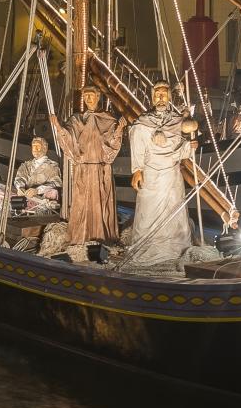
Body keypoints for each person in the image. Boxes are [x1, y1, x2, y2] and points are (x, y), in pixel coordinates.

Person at [120, 81, 199, 270]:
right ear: (152, 97)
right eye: (157, 95)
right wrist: (137, 170)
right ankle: (146, 249)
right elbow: (138, 146)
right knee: (148, 212)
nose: (161, 98)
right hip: (150, 173)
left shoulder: (177, 121)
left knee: (173, 211)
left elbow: (183, 144)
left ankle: (174, 250)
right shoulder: (142, 122)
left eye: (164, 94)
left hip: (171, 174)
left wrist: (189, 146)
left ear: (170, 97)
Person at [53, 85, 125, 252]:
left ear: (98, 96)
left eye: (92, 95)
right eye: (86, 96)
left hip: (101, 169)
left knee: (102, 205)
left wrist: (119, 130)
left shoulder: (109, 119)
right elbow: (69, 140)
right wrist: (58, 127)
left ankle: (103, 237)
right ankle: (80, 237)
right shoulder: (76, 120)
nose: (89, 98)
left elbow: (112, 147)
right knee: (81, 206)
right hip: (83, 170)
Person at [11, 135, 60, 212]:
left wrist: (37, 190)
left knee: (53, 192)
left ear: (44, 148)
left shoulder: (52, 166)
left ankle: (42, 212)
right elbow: (19, 178)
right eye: (33, 146)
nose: (35, 149)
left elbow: (55, 184)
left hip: (41, 199)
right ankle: (10, 211)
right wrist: (20, 187)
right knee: (3, 191)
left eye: (37, 146)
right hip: (25, 197)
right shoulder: (25, 165)